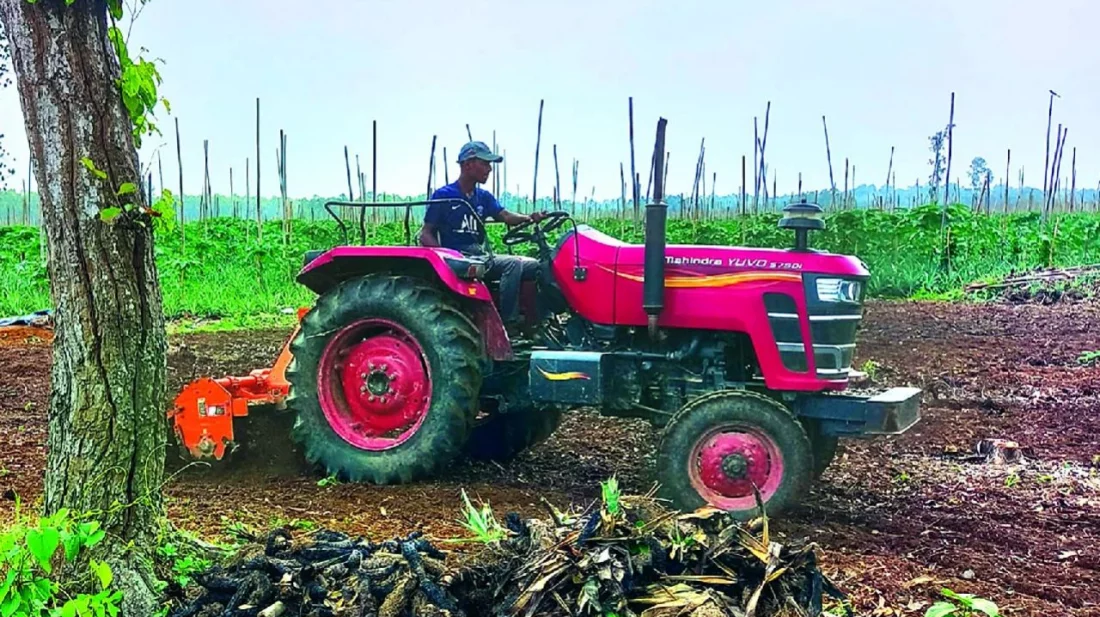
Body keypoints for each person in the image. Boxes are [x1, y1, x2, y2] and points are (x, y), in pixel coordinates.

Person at [419, 140, 546, 332]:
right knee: (513, 264)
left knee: (535, 266)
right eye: (485, 163)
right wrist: (444, 258)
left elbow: (505, 216)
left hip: (478, 255)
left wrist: (528, 218)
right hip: (458, 256)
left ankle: (535, 323)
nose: (489, 169)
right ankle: (507, 324)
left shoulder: (483, 197)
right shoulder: (445, 195)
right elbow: (425, 234)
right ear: (469, 164)